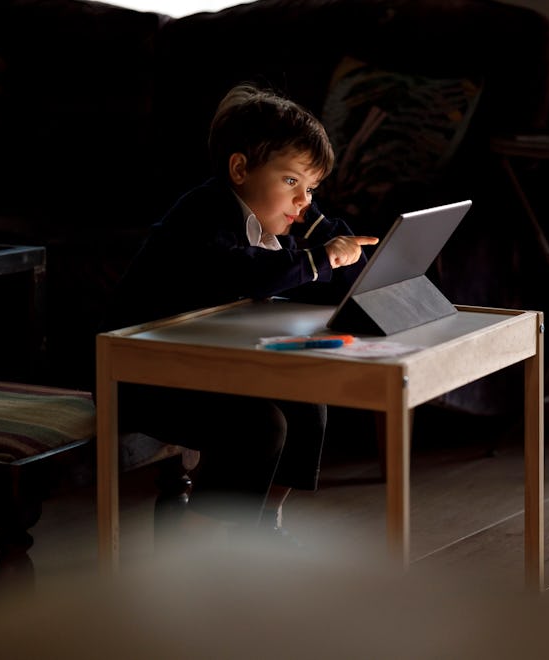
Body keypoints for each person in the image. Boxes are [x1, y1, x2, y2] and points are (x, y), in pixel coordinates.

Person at [98, 83, 379, 539]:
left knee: (309, 406)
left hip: (199, 367)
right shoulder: (202, 214)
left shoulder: (274, 223)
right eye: (292, 181)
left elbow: (345, 283)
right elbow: (249, 274)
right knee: (257, 426)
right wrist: (321, 255)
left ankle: (262, 528)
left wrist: (321, 226)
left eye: (312, 189)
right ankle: (192, 547)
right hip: (139, 377)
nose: (302, 200)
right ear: (240, 168)